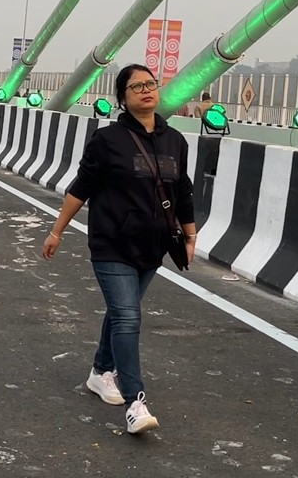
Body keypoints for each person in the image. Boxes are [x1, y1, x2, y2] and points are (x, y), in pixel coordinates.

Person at [42, 63, 197, 435]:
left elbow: (183, 192)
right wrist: (57, 231)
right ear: (123, 99)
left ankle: (100, 371)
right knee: (128, 317)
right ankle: (135, 401)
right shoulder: (108, 141)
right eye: (136, 87)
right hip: (112, 243)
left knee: (121, 311)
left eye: (150, 84)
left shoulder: (175, 140)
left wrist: (190, 237)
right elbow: (81, 188)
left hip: (153, 245)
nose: (146, 90)